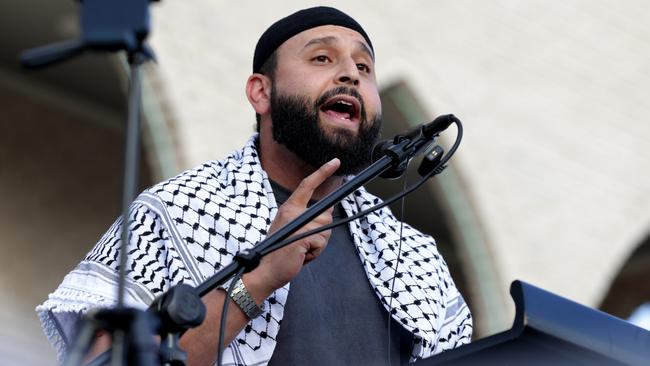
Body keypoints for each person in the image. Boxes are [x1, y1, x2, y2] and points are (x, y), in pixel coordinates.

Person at [37, 6, 472, 366]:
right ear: (260, 92)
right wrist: (262, 278)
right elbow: (105, 360)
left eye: (364, 67)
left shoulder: (415, 256)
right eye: (322, 58)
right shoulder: (176, 210)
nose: (350, 75)